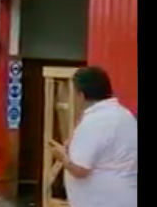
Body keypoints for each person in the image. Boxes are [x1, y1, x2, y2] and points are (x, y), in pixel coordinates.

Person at [48, 66, 137, 207]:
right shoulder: (124, 115)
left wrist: (62, 156)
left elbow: (80, 170)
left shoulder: (95, 121)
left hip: (103, 200)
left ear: (81, 95)